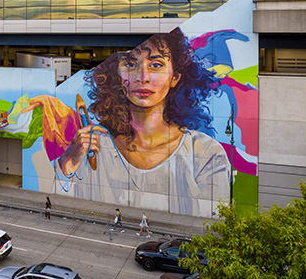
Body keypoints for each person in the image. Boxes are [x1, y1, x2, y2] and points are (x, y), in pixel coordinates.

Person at [52, 28, 231, 216]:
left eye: (156, 65)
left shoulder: (205, 153)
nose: (142, 77)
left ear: (175, 77)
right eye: (130, 64)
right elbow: (61, 207)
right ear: (116, 74)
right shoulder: (91, 146)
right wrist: (68, 161)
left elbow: (215, 221)